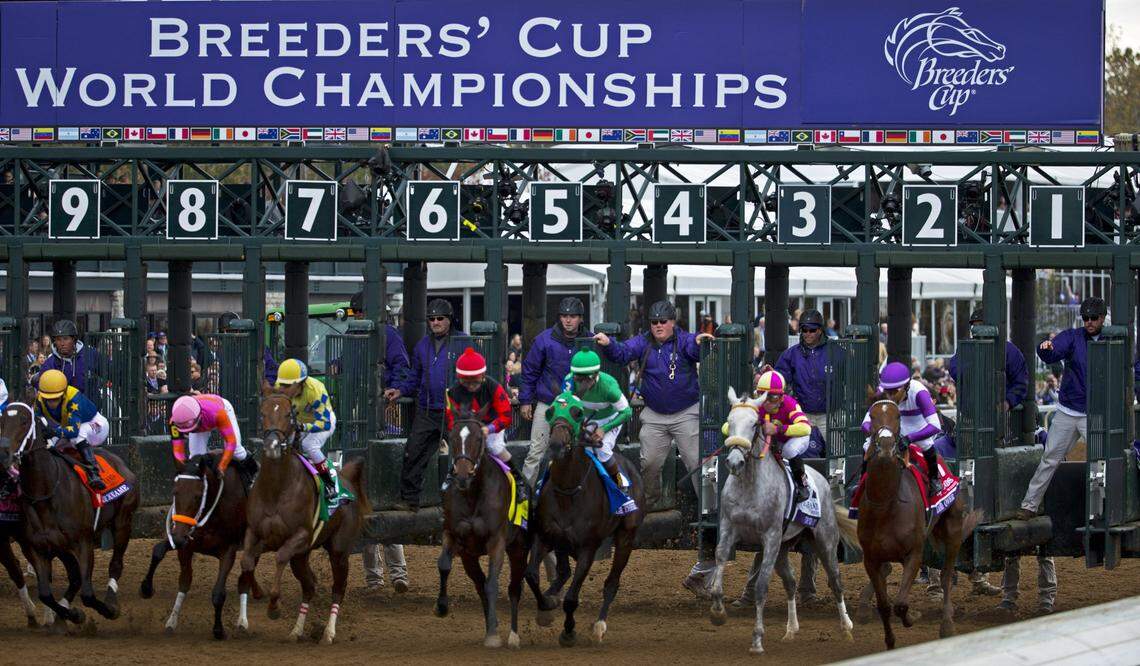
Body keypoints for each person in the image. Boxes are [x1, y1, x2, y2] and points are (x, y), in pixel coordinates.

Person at [593, 300, 714, 594]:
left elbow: (693, 348)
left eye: (663, 321)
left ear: (673, 321)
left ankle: (709, 513)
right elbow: (622, 354)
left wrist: (700, 341)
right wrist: (608, 344)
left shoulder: (684, 339)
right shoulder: (643, 342)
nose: (658, 326)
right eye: (654, 322)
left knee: (698, 465)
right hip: (656, 415)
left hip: (686, 413)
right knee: (648, 462)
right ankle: (647, 501)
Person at [1017, 296, 1104, 521]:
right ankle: (1029, 504)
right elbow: (1053, 351)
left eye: (1093, 318)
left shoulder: (1112, 339)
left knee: (1101, 462)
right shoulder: (1073, 337)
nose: (1089, 322)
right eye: (1085, 318)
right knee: (1049, 458)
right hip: (1067, 411)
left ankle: (1101, 511)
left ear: (1103, 318)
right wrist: (1046, 348)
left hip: (1094, 413)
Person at [397, 299, 467, 511]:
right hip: (427, 410)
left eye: (440, 318)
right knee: (413, 452)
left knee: (464, 457)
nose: (435, 322)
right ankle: (409, 500)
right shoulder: (422, 345)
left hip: (455, 411)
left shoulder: (464, 342)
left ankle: (465, 501)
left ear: (450, 319)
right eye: (431, 319)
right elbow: (414, 377)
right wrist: (400, 390)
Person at [518, 297, 588, 485]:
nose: (568, 320)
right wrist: (525, 401)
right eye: (564, 316)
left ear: (581, 318)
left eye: (573, 316)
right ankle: (524, 498)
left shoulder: (588, 340)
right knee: (536, 452)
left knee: (583, 451)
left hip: (578, 407)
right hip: (548, 402)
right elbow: (530, 371)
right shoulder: (544, 339)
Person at [445, 347, 527, 495]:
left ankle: (518, 477)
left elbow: (507, 415)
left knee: (494, 446)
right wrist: (456, 430)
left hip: (491, 426)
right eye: (466, 382)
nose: (470, 386)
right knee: (461, 445)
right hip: (466, 427)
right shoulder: (453, 392)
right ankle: (452, 474)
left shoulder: (494, 387)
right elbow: (451, 417)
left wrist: (489, 429)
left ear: (482, 377)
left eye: (474, 382)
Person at [860, 362, 944, 499]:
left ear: (907, 386)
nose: (891, 396)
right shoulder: (882, 391)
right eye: (889, 392)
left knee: (926, 444)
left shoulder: (919, 393)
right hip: (892, 425)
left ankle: (934, 478)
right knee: (867, 444)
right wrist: (876, 432)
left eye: (895, 392)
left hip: (918, 426)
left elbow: (935, 426)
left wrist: (910, 438)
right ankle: (862, 479)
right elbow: (865, 423)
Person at [562, 350, 633, 490]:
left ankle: (620, 483)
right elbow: (565, 407)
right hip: (586, 418)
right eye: (578, 379)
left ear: (595, 375)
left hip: (610, 419)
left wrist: (604, 429)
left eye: (586, 379)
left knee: (602, 448)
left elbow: (626, 412)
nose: (581, 384)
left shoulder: (609, 388)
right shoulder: (568, 381)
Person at [274, 358, 339, 503]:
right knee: (281, 443)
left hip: (323, 421)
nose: (282, 389)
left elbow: (325, 423)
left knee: (309, 445)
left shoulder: (316, 390)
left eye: (287, 385)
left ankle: (329, 483)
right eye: (281, 384)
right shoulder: (280, 386)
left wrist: (304, 427)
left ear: (299, 383)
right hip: (298, 420)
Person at [34, 369, 108, 489]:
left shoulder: (73, 398)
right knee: (50, 444)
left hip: (96, 425)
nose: (51, 403)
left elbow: (74, 431)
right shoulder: (39, 399)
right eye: (48, 398)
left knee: (77, 436)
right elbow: (37, 419)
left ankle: (94, 473)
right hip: (68, 427)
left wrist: (53, 431)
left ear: (63, 393)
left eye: (55, 398)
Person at [947, 307, 1029, 412]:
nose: (976, 329)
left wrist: (1008, 402)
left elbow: (1021, 381)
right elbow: (955, 369)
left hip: (999, 415)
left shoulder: (1008, 350)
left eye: (980, 325)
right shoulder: (966, 347)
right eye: (974, 326)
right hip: (971, 414)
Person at [168, 394, 259, 488]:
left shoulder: (219, 414)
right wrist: (184, 471)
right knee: (196, 456)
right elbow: (178, 452)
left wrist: (222, 466)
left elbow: (231, 442)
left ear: (198, 418)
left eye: (191, 429)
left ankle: (254, 470)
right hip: (200, 417)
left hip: (220, 409)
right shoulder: (173, 423)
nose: (190, 432)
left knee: (237, 451)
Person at [775, 308, 832, 448]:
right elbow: (780, 379)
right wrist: (772, 376)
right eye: (804, 330)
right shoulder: (791, 354)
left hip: (830, 415)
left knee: (836, 457)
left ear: (820, 330)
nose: (808, 333)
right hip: (803, 414)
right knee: (800, 451)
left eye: (812, 330)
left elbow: (849, 380)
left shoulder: (836, 351)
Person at [755, 370, 813, 502]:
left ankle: (802, 484)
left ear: (781, 397)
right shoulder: (757, 405)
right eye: (762, 395)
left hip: (796, 438)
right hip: (777, 442)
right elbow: (727, 427)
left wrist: (778, 428)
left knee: (789, 450)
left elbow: (805, 428)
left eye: (772, 397)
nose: (767, 402)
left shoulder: (790, 404)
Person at [37, 319, 104, 390]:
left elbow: (111, 372)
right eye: (58, 339)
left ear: (74, 339)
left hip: (88, 400)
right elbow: (42, 388)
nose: (62, 343)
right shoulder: (50, 364)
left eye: (65, 339)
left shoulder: (90, 354)